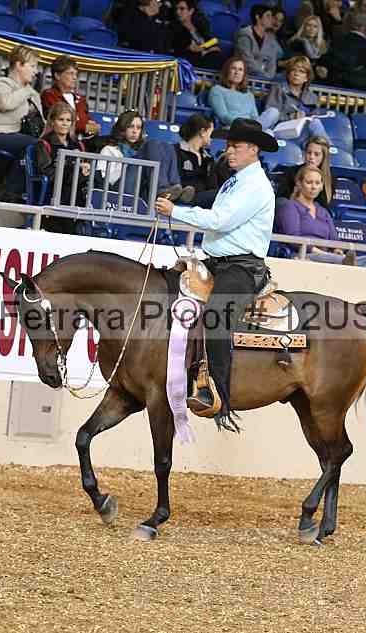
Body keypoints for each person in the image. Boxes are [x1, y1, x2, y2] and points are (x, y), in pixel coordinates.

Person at [154, 118, 278, 430]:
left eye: (236, 146)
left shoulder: (256, 185)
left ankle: (217, 392)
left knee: (216, 314)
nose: (229, 151)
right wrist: (188, 196)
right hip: (217, 262)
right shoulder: (237, 180)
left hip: (242, 267)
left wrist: (176, 211)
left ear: (253, 149)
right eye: (229, 145)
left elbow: (221, 220)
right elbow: (214, 199)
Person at [276, 165, 366, 268]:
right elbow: (293, 238)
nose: (313, 187)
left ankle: (348, 266)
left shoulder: (323, 211)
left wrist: (337, 250)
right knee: (338, 260)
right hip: (304, 255)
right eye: (309, 182)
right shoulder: (290, 206)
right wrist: (320, 252)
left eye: (317, 183)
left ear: (321, 187)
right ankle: (348, 266)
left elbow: (334, 240)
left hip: (329, 257)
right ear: (299, 184)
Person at [96, 109, 193, 201]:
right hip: (120, 190)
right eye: (130, 126)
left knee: (168, 147)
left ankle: (174, 188)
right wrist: (128, 166)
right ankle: (162, 190)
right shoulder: (109, 150)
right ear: (122, 128)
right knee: (152, 144)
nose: (135, 131)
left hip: (140, 189)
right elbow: (105, 179)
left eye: (138, 128)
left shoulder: (143, 151)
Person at [35, 102, 92, 232]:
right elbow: (47, 172)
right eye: (61, 119)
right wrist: (71, 166)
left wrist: (86, 169)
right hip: (54, 189)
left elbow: (83, 166)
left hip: (77, 187)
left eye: (68, 120)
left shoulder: (78, 145)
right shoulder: (43, 143)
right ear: (52, 121)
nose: (65, 123)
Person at [0, 46, 44, 160]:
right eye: (32, 66)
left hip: (20, 138)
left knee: (47, 146)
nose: (36, 71)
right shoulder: (2, 84)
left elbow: (40, 121)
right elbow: (5, 103)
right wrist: (27, 91)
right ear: (19, 65)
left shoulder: (33, 94)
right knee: (36, 146)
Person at [259, 56, 328, 142]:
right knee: (273, 112)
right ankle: (249, 134)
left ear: (306, 78)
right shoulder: (278, 89)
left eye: (301, 71)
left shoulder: (312, 97)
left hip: (301, 132)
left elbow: (315, 117)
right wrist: (291, 116)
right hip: (280, 129)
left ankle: (328, 147)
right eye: (293, 70)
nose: (296, 74)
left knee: (316, 122)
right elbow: (270, 114)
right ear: (288, 74)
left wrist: (304, 118)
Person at [324, 12, 366, 92]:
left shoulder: (337, 40)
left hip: (334, 86)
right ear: (365, 29)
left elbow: (328, 62)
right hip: (360, 89)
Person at [40, 55, 100, 138]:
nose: (75, 77)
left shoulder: (81, 99)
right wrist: (84, 127)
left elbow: (90, 123)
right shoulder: (49, 95)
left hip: (81, 140)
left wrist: (93, 127)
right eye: (71, 73)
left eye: (76, 74)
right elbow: (60, 121)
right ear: (57, 75)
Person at [275, 135, 333, 208]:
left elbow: (325, 208)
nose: (311, 157)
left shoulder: (329, 178)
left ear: (323, 157)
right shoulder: (292, 172)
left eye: (316, 154)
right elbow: (281, 199)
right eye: (309, 152)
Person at [207, 57, 261, 127]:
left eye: (240, 69)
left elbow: (255, 117)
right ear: (227, 71)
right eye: (233, 68)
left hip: (253, 127)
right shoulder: (217, 90)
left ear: (244, 74)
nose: (237, 72)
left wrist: (253, 126)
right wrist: (244, 125)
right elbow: (223, 116)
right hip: (233, 127)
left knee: (272, 112)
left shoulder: (249, 95)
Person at [170, 0, 223, 70]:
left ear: (191, 11)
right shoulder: (174, 28)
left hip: (205, 56)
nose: (177, 12)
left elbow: (213, 43)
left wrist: (208, 48)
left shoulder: (199, 26)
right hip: (188, 59)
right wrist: (206, 50)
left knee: (216, 56)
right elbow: (192, 48)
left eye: (182, 9)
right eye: (176, 9)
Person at [234, 4, 282, 79]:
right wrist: (264, 75)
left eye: (272, 16)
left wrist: (269, 77)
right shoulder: (244, 34)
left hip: (264, 78)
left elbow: (272, 62)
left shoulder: (271, 39)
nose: (271, 20)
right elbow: (247, 61)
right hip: (245, 76)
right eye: (268, 16)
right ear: (257, 17)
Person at [175, 113, 217, 193]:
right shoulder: (176, 151)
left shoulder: (208, 158)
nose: (212, 138)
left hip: (203, 198)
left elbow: (212, 186)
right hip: (181, 194)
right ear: (203, 132)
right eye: (211, 133)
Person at [286, 15, 329, 80]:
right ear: (304, 27)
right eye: (309, 25)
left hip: (316, 78)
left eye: (315, 26)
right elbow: (296, 63)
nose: (311, 29)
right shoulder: (296, 42)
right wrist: (316, 68)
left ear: (318, 29)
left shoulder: (322, 45)